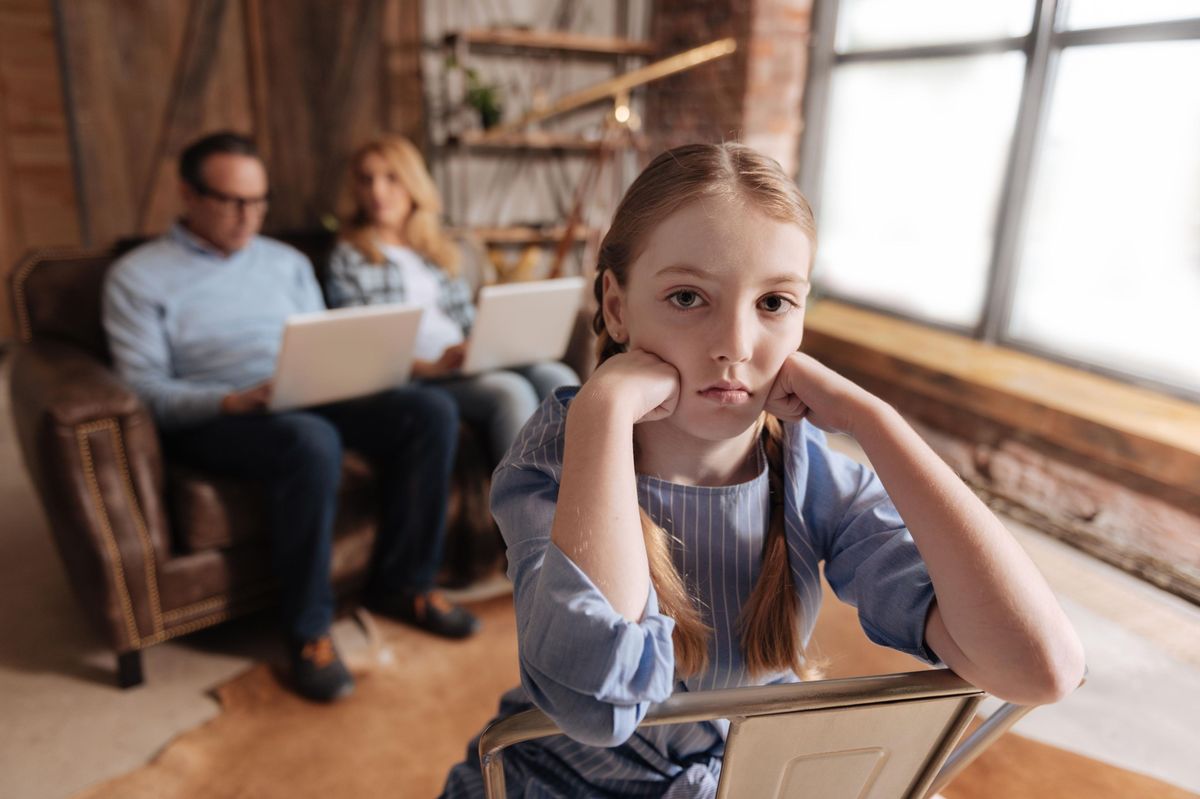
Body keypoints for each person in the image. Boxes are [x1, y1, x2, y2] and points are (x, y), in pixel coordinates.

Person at [440, 142, 1086, 796]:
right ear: (615, 306)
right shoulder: (557, 454)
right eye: (688, 296)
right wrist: (603, 408)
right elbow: (596, 706)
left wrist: (876, 422)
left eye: (774, 302)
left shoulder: (811, 476)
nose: (736, 346)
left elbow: (1041, 666)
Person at [103, 131, 479, 704]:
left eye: (258, 201)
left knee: (427, 410)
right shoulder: (138, 276)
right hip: (219, 409)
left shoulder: (286, 263)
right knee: (310, 440)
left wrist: (347, 370)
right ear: (187, 194)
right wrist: (230, 400)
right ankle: (309, 631)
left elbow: (321, 340)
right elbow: (145, 392)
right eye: (231, 201)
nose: (247, 216)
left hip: (303, 390)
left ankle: (407, 585)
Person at [326, 135, 579, 465]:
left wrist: (482, 345)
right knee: (509, 392)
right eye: (366, 179)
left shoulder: (436, 250)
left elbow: (465, 320)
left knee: (558, 379)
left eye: (391, 178)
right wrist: (429, 367)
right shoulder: (349, 256)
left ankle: (580, 500)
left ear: (413, 184)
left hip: (464, 360)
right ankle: (523, 515)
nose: (377, 191)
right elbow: (362, 342)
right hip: (421, 372)